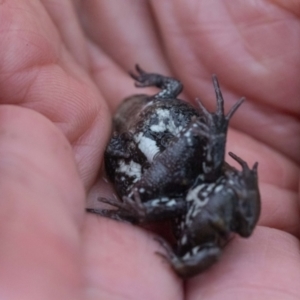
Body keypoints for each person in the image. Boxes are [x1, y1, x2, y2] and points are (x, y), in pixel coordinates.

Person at [0, 1, 299, 299]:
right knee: (185, 180)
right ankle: (140, 216)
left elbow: (173, 91)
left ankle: (139, 217)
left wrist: (131, 204)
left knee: (175, 187)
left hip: (184, 185)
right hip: (189, 182)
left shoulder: (151, 112)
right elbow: (175, 95)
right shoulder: (145, 122)